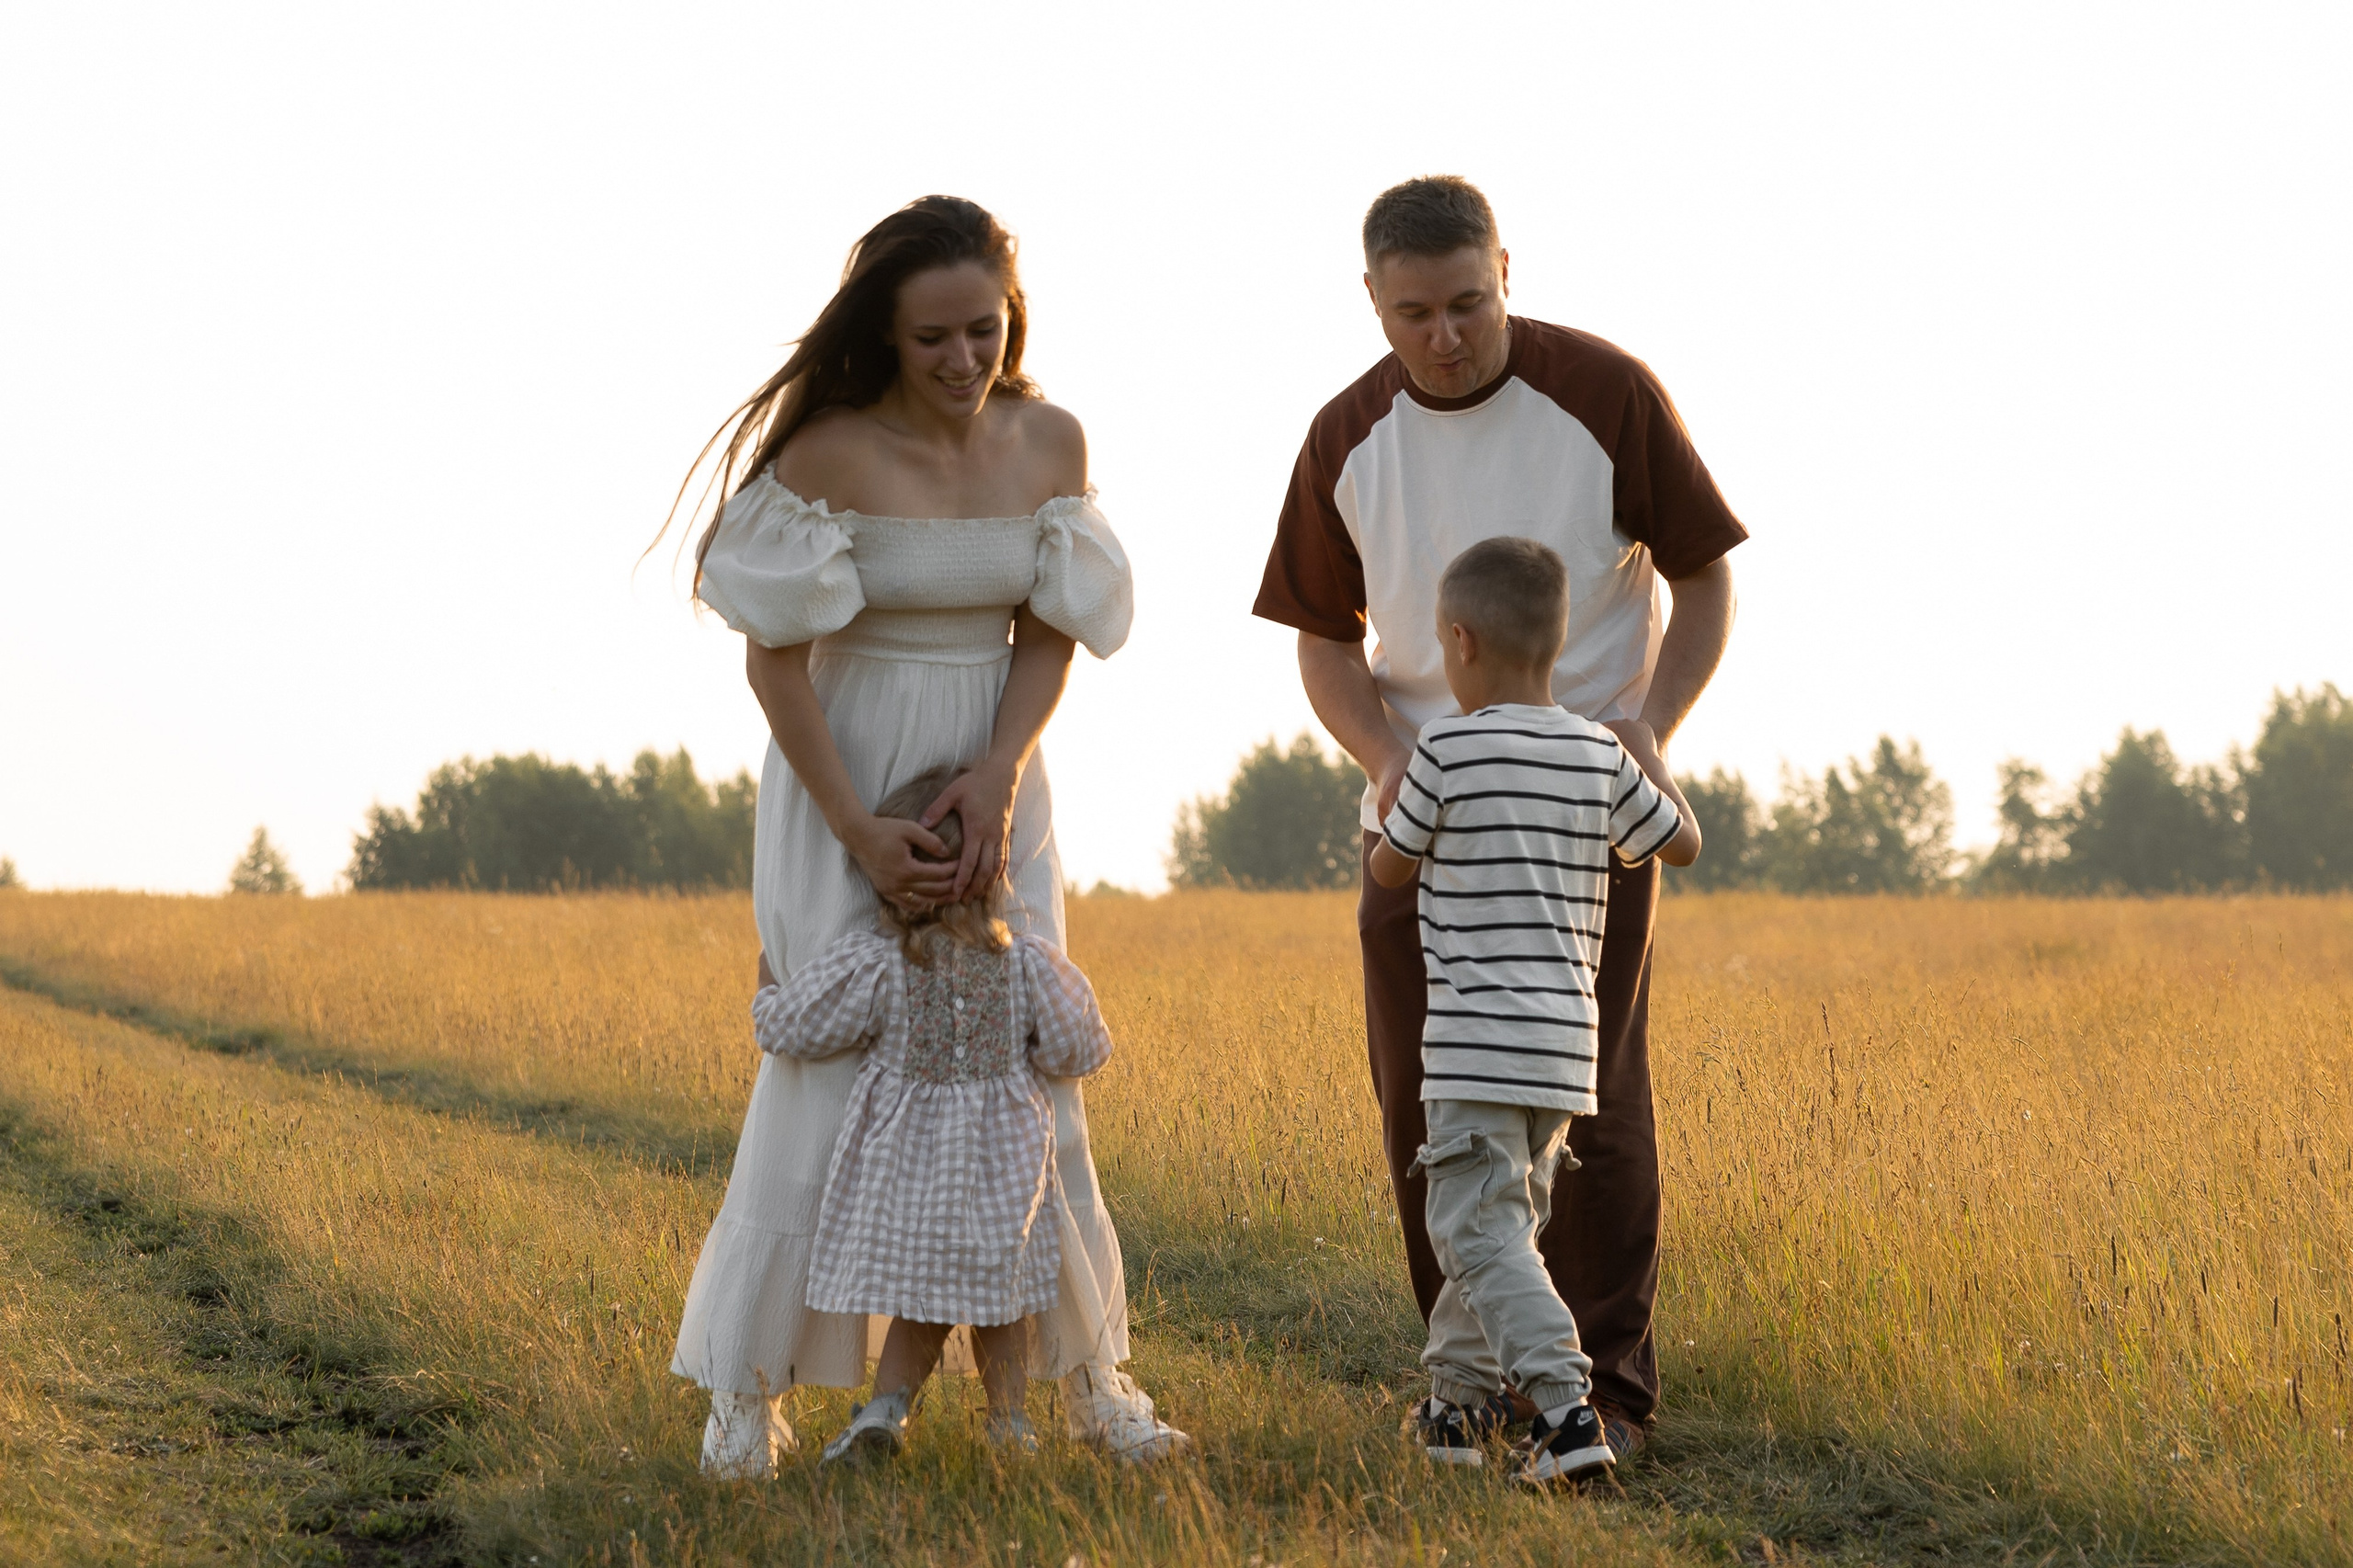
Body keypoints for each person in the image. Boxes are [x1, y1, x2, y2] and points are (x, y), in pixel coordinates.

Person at [663, 195, 1187, 1477]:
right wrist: (857, 830)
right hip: (843, 776)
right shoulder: (829, 454)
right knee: (831, 1062)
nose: (965, 363)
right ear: (883, 337)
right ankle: (749, 1388)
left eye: (986, 333)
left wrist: (1001, 775)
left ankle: (1089, 1379)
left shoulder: (1047, 437)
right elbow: (774, 669)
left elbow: (1052, 623)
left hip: (995, 776)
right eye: (934, 339)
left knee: (1022, 1063)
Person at [1253, 175, 1745, 1460]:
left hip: (1580, 814)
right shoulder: (1344, 436)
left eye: (1468, 302)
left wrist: (1653, 721)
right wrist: (1384, 759)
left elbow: (1703, 577)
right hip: (1417, 818)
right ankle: (1467, 1393)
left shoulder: (1606, 393)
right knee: (1429, 1106)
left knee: (1594, 1104)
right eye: (1412, 312)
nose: (1445, 335)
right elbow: (1321, 640)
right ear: (1372, 299)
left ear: (1507, 271)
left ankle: (1605, 1396)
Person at [1368, 538, 1699, 1483]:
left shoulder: (1444, 748)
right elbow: (1678, 843)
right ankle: (1456, 1412)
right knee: (1496, 1228)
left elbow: (1392, 862)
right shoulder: (1596, 753)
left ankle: (1564, 1412)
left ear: (1459, 642)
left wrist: (1398, 822)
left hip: (1473, 1049)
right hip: (1561, 1054)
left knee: (1473, 1232)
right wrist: (1649, 754)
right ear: (1551, 646)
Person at [752, 768, 1117, 1465]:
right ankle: (1010, 1425)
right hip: (1005, 1170)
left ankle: (886, 1411)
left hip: (909, 1170)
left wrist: (769, 990)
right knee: (1001, 1299)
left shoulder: (883, 964)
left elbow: (797, 1026)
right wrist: (1034, 1052)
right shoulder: (1025, 965)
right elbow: (1084, 1046)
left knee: (923, 1299)